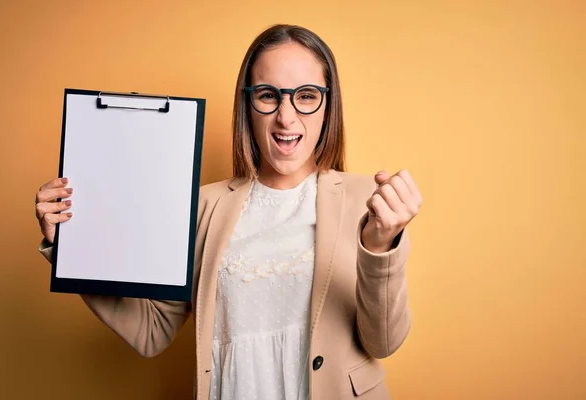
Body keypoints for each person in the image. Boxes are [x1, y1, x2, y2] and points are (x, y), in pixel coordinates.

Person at [34, 24, 422, 400]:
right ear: (247, 103)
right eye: (269, 95)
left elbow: (383, 341)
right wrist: (71, 245)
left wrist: (379, 246)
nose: (286, 117)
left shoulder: (369, 202)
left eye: (305, 95)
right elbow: (151, 332)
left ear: (328, 104)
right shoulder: (203, 207)